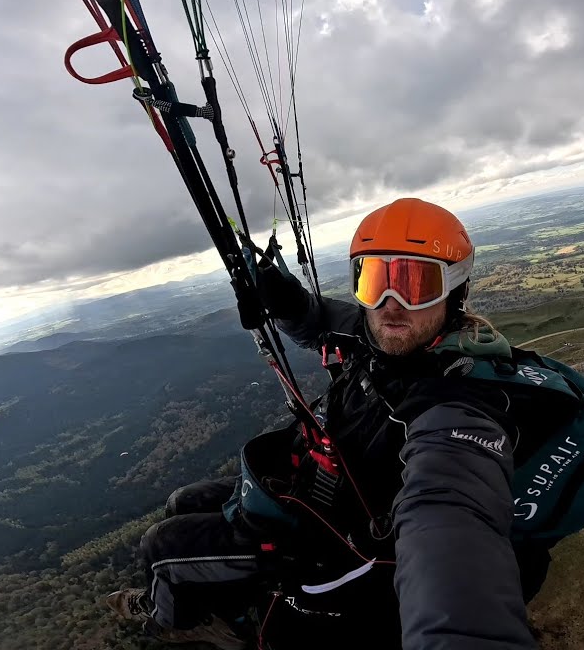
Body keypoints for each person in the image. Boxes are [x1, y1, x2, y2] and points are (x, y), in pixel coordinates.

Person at [105, 198, 543, 649]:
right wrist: (279, 295)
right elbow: (318, 319)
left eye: (415, 285)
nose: (390, 304)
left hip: (326, 539)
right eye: (375, 281)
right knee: (183, 501)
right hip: (312, 487)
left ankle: (182, 620)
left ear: (455, 291)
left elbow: (449, 522)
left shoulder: (457, 404)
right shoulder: (385, 336)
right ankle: (222, 600)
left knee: (162, 548)